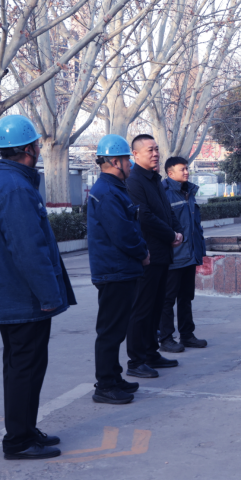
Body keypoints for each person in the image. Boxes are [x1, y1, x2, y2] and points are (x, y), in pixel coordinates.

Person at [0, 114, 75, 460]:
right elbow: (28, 249)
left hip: (11, 295)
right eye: (36, 144)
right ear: (30, 148)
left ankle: (26, 429)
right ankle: (18, 440)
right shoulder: (17, 188)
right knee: (25, 369)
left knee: (21, 366)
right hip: (23, 298)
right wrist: (49, 296)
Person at [87, 134, 149, 405]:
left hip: (119, 269)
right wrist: (143, 253)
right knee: (110, 332)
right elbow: (123, 234)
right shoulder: (107, 192)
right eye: (126, 160)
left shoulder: (112, 188)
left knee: (116, 329)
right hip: (114, 271)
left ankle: (113, 377)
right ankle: (105, 385)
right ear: (115, 162)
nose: (130, 165)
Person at [125, 134, 184, 378]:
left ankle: (151, 354)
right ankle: (136, 361)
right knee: (142, 309)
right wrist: (170, 234)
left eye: (156, 149)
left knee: (156, 307)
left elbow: (167, 211)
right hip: (147, 255)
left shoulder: (155, 180)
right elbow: (145, 216)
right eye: (149, 150)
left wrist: (177, 231)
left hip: (162, 254)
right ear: (135, 154)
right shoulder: (134, 181)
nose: (155, 153)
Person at [159, 156, 209, 352]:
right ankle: (166, 338)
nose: (187, 172)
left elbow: (195, 225)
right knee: (167, 299)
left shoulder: (189, 192)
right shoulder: (164, 194)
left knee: (186, 297)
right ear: (170, 173)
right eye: (182, 169)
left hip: (190, 254)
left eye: (187, 168)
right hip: (174, 256)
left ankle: (187, 335)